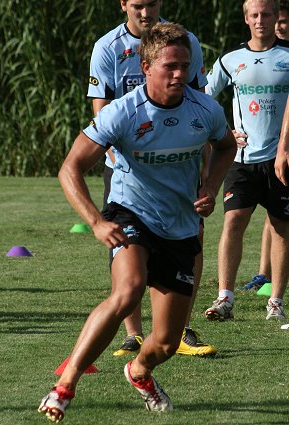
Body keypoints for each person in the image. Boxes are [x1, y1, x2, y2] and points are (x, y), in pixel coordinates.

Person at [38, 22, 236, 422]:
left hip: (180, 226)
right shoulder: (123, 113)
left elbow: (227, 144)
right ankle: (66, 383)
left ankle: (140, 371)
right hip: (131, 213)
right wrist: (96, 222)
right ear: (146, 67)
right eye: (170, 67)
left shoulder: (205, 109)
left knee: (163, 343)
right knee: (127, 291)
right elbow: (70, 168)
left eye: (184, 65)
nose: (180, 74)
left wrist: (211, 187)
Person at [88, 0, 216, 357]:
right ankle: (133, 333)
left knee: (193, 234)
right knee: (127, 244)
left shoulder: (182, 40)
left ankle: (181, 327)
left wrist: (207, 170)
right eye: (139, 5)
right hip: (127, 160)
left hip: (179, 157)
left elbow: (200, 101)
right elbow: (101, 107)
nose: (147, 13)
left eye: (153, 4)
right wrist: (114, 152)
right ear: (124, 4)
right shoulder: (107, 47)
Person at [205, 0, 289, 321]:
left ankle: (276, 303)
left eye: (266, 14)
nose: (260, 20)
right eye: (254, 15)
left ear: (275, 17)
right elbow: (202, 99)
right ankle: (225, 298)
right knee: (233, 221)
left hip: (281, 160)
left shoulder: (288, 56)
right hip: (242, 160)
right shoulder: (230, 60)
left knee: (282, 227)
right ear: (245, 18)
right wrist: (224, 134)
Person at [244, 0, 289, 290]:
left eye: (283, 22)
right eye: (280, 22)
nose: (280, 26)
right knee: (275, 216)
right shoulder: (255, 58)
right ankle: (265, 273)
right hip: (271, 152)